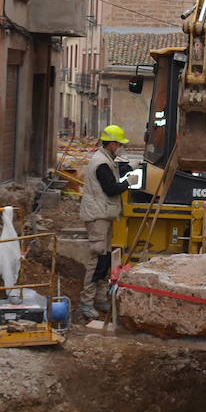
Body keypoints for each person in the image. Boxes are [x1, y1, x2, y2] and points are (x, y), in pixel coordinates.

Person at [79, 124, 138, 320]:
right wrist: (128, 182)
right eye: (118, 144)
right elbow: (111, 189)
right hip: (98, 216)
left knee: (104, 259)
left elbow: (114, 176)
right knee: (97, 259)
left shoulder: (107, 160)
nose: (119, 147)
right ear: (111, 143)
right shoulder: (101, 163)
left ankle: (100, 298)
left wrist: (126, 168)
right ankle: (87, 302)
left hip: (104, 214)